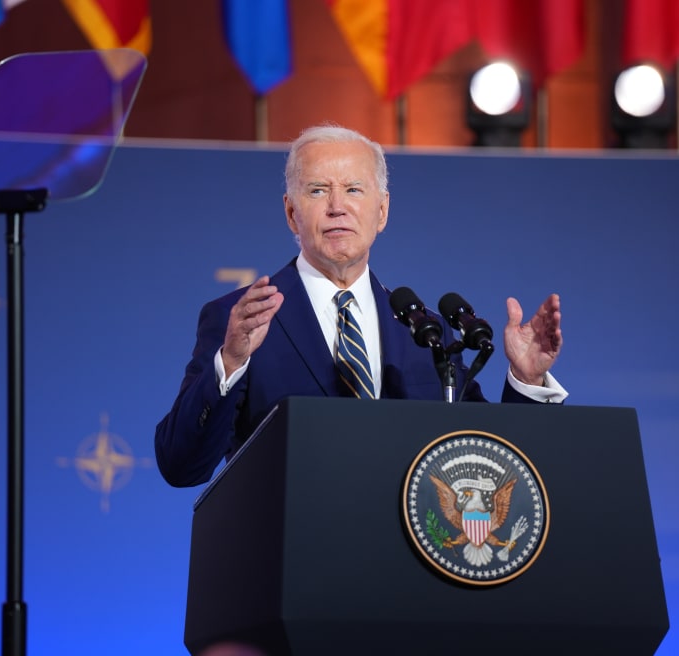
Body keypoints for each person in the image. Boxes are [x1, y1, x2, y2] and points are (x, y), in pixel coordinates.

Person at [155, 124, 567, 487]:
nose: (338, 206)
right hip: (292, 563)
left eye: (354, 189)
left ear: (382, 210)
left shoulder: (426, 333)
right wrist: (230, 361)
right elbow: (181, 466)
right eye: (318, 190)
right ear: (291, 212)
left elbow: (487, 465)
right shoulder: (242, 322)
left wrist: (526, 382)